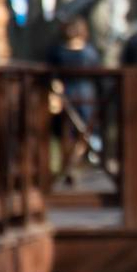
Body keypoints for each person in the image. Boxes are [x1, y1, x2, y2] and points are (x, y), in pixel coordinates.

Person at [45, 17, 103, 166]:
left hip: (69, 93)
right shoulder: (90, 52)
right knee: (82, 130)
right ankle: (73, 162)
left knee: (70, 131)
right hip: (84, 94)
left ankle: (70, 163)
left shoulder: (58, 52)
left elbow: (53, 76)